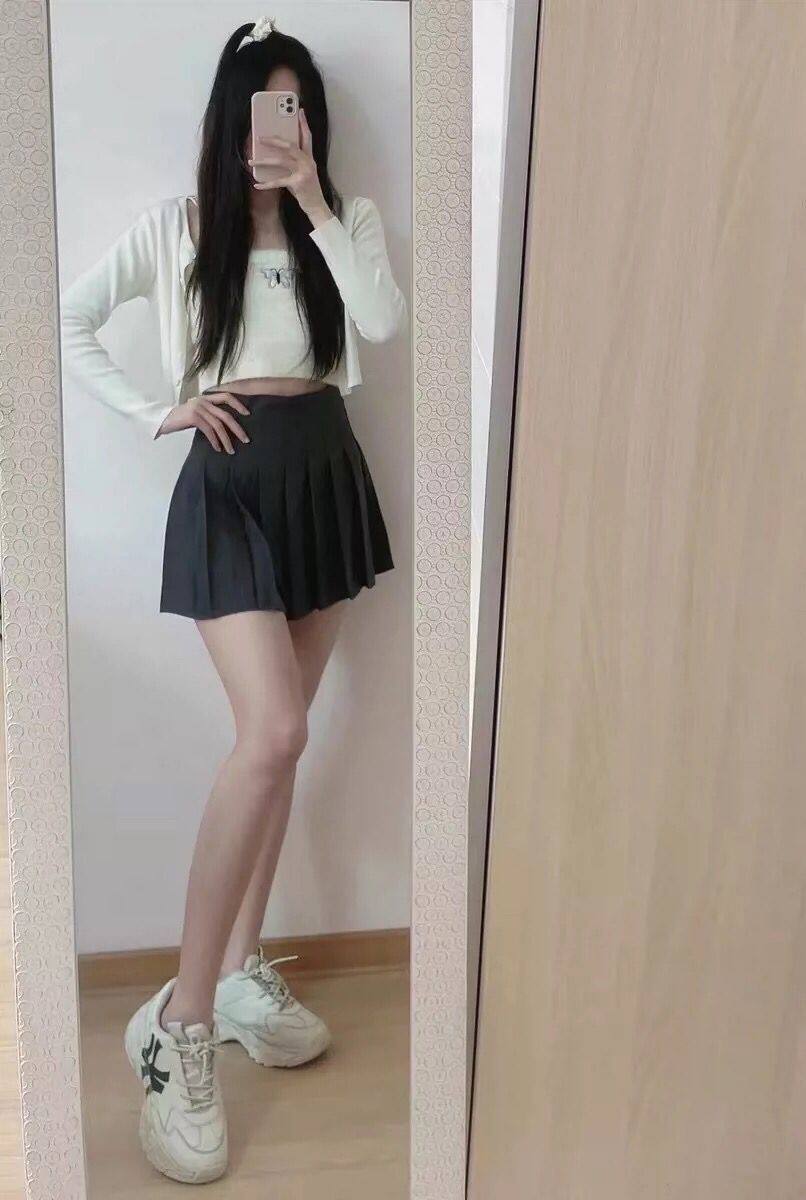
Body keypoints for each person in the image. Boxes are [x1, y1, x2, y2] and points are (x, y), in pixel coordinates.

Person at [60, 16, 406, 1184]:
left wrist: (311, 201)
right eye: (265, 106)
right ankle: (182, 1022)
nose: (280, 126)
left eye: (296, 107)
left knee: (282, 742)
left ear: (312, 123)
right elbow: (66, 318)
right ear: (230, 119)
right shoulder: (177, 230)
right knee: (273, 733)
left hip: (323, 471)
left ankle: (243, 971)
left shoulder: (344, 222)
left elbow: (380, 322)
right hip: (227, 480)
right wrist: (152, 409)